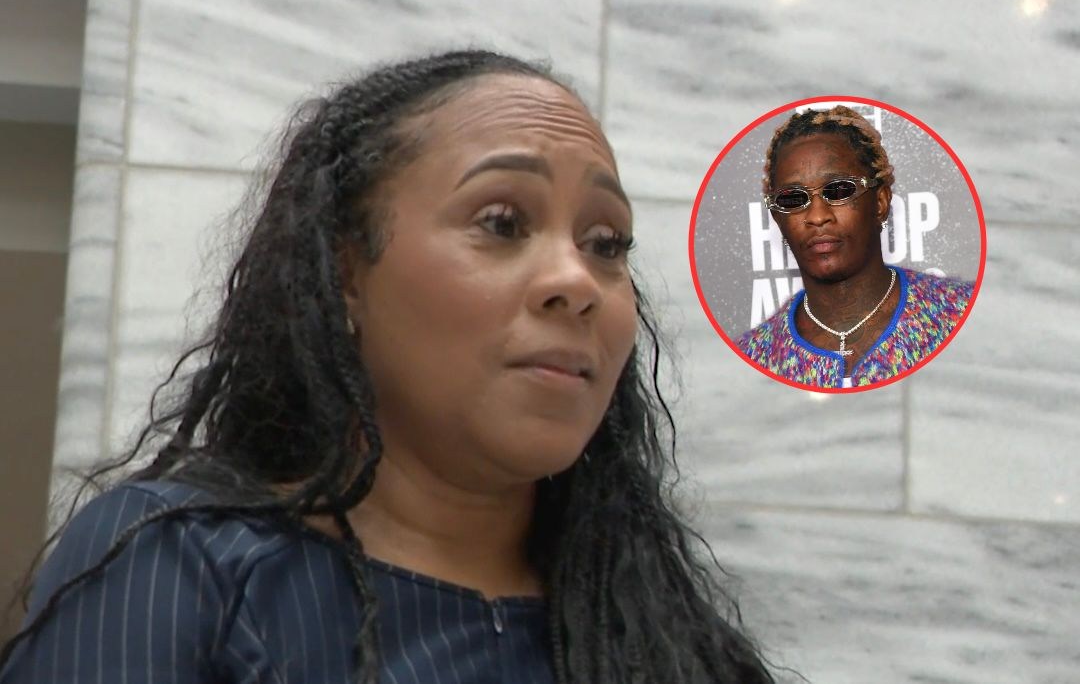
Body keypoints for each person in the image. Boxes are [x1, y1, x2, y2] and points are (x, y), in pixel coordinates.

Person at [0, 50, 774, 684]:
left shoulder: (663, 636)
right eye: (503, 222)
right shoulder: (188, 566)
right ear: (345, 273)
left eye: (606, 244)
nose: (576, 281)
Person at [737, 105, 974, 389]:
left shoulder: (958, 311)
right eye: (793, 199)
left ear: (880, 202)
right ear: (778, 217)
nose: (817, 216)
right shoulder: (754, 355)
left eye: (839, 190)